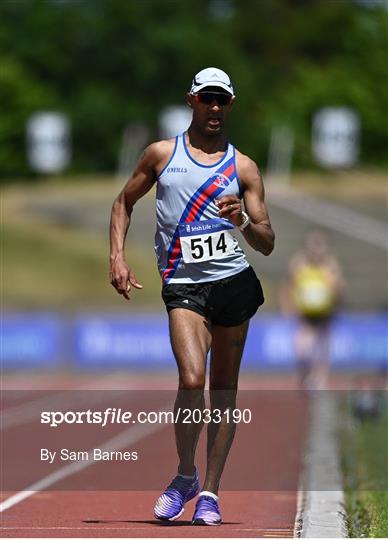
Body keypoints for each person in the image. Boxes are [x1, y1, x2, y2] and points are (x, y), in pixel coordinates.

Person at [109, 67, 275, 526]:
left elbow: (266, 240)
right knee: (190, 378)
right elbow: (124, 202)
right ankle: (185, 474)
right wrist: (117, 257)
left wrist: (242, 219)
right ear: (192, 100)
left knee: (223, 391)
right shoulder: (162, 154)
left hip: (234, 285)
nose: (215, 107)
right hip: (184, 284)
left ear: (231, 104)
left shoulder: (243, 167)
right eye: (207, 99)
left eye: (222, 100)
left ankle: (210, 493)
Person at [280, 230, 344, 389]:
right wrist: (288, 306)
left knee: (323, 346)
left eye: (321, 245)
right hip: (305, 313)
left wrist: (333, 289)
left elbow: (339, 288)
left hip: (324, 313)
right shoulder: (298, 263)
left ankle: (320, 378)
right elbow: (288, 285)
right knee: (302, 349)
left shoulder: (331, 265)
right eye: (314, 244)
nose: (317, 249)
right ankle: (304, 375)